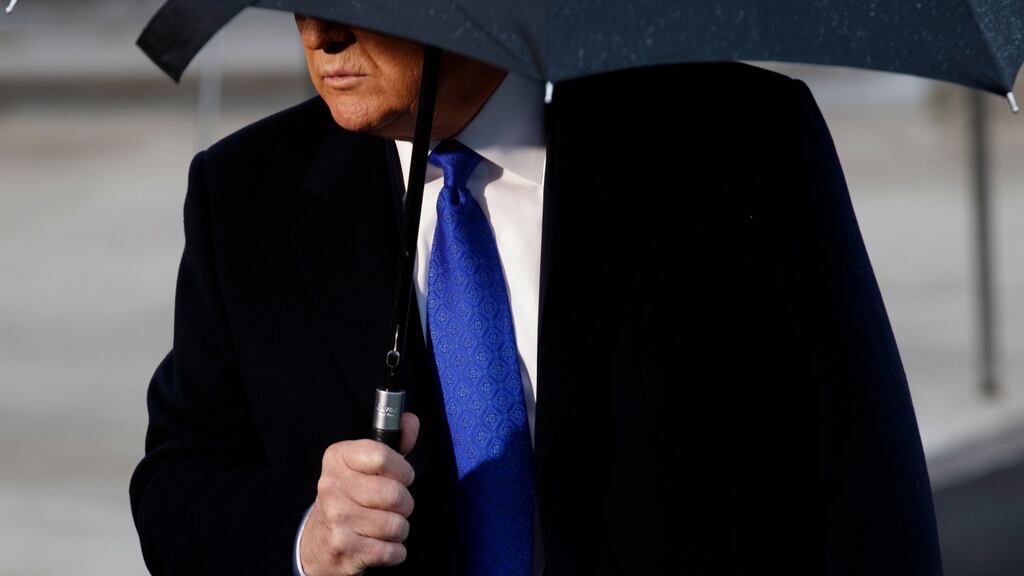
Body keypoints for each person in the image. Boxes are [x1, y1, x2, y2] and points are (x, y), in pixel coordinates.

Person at [129, 14, 944, 576]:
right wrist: (309, 540)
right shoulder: (245, 197)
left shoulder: (742, 145)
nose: (320, 32)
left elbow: (868, 482)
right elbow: (178, 482)